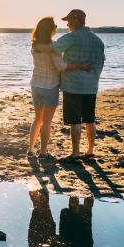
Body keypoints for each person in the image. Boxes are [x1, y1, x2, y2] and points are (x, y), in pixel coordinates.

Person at [28, 17, 90, 159]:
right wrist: (80, 65)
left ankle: (31, 150)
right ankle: (43, 152)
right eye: (55, 25)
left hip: (36, 85)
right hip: (51, 86)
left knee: (37, 119)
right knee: (47, 121)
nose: (56, 27)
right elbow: (61, 66)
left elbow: (43, 49)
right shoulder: (53, 48)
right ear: (50, 29)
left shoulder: (35, 45)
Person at [52, 9, 105, 161]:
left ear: (75, 21)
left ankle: (75, 153)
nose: (67, 24)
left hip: (72, 85)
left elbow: (53, 49)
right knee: (90, 118)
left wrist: (64, 64)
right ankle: (89, 151)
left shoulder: (71, 37)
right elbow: (101, 62)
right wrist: (94, 77)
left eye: (68, 21)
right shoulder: (97, 40)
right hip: (91, 85)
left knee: (75, 119)